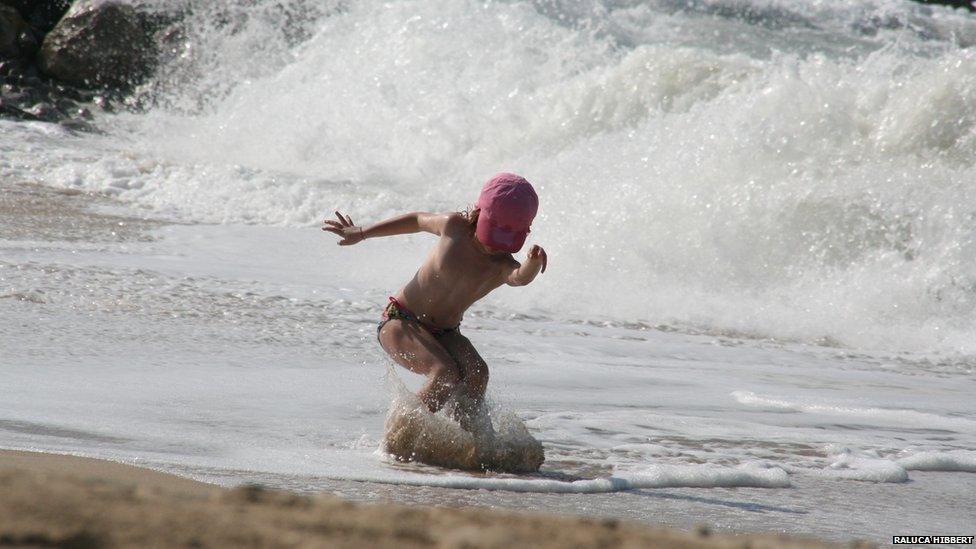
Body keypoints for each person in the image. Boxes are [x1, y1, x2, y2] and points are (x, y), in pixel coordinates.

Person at [322, 173, 547, 432]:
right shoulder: (455, 227)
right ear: (478, 212)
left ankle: (466, 439)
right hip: (401, 320)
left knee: (478, 373)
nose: (496, 247)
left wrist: (532, 263)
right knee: (445, 374)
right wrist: (362, 233)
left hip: (446, 334)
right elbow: (417, 220)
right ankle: (401, 435)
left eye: (506, 239)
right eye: (492, 234)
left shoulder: (503, 265)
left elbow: (519, 278)